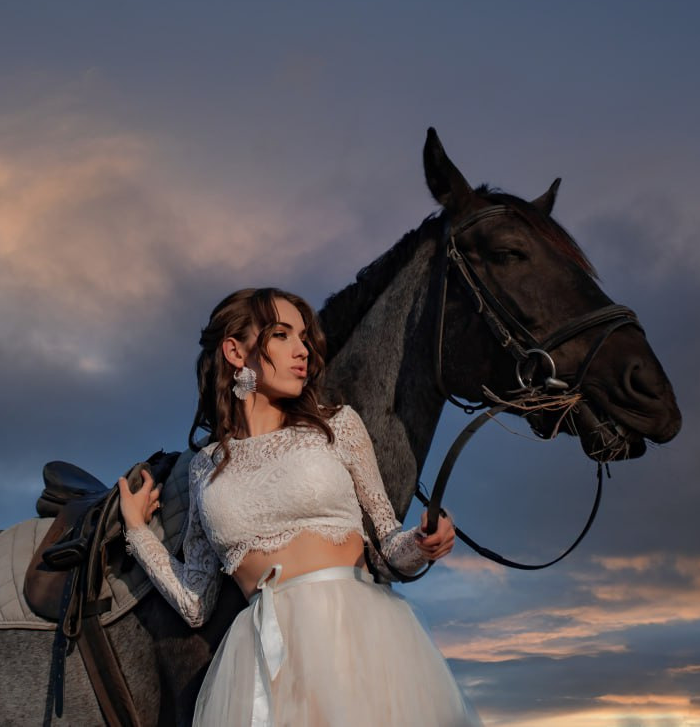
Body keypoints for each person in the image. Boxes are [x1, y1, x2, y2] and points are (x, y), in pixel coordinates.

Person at [118, 287, 480, 726]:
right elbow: (196, 601)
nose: (302, 350)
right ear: (235, 351)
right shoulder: (204, 468)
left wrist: (423, 543)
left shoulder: (337, 426)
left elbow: (387, 543)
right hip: (260, 668)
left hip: (355, 638)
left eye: (304, 337)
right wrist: (137, 531)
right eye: (282, 335)